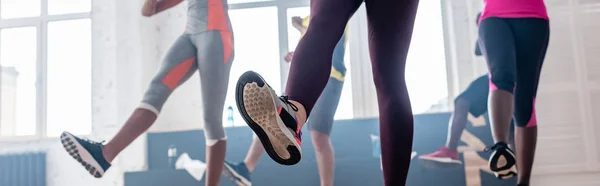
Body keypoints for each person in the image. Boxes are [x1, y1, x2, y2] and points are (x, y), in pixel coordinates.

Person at [233, 0, 419, 184]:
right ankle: (291, 117)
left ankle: (292, 118)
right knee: (388, 74)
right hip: (322, 71)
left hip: (332, 76)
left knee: (387, 72)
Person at [59, 0, 235, 185]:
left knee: (211, 119)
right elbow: (148, 11)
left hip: (217, 35)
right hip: (190, 35)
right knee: (155, 92)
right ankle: (105, 154)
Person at [222, 15, 348, 186]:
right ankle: (246, 168)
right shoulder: (308, 18)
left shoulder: (335, 8)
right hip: (304, 76)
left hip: (330, 76)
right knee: (272, 115)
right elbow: (310, 45)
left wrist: (299, 26)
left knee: (319, 135)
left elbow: (323, 37)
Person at [418, 12, 515, 168]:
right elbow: (477, 50)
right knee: (509, 127)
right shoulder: (491, 33)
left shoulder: (506, 28)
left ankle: (451, 149)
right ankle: (518, 172)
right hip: (506, 79)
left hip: (503, 78)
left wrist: (486, 24)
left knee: (463, 102)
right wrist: (483, 27)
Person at [478, 0, 549, 185]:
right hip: (495, 16)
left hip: (533, 19)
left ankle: (524, 180)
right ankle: (500, 146)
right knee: (501, 76)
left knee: (524, 104)